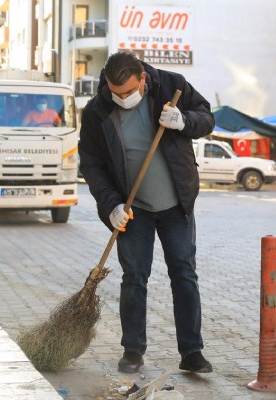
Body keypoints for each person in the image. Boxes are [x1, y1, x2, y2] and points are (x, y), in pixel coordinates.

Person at [79, 51, 215, 374]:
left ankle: (192, 352)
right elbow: (92, 165)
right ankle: (132, 350)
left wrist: (183, 121)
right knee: (134, 278)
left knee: (184, 274)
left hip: (176, 204)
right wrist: (110, 204)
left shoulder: (171, 86)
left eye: (128, 92)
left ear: (142, 79)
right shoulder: (97, 111)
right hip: (132, 208)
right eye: (116, 93)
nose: (123, 98)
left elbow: (207, 117)